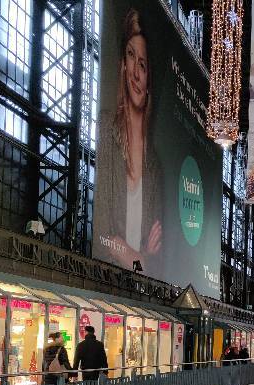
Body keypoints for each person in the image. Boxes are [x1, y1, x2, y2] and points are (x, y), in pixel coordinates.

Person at [94, 8, 163, 272]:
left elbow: (155, 258)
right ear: (123, 65)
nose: (136, 72)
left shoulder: (154, 165)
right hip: (105, 278)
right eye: (131, 57)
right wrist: (139, 257)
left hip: (134, 287)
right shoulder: (106, 132)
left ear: (148, 79)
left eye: (143, 65)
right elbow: (102, 234)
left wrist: (134, 255)